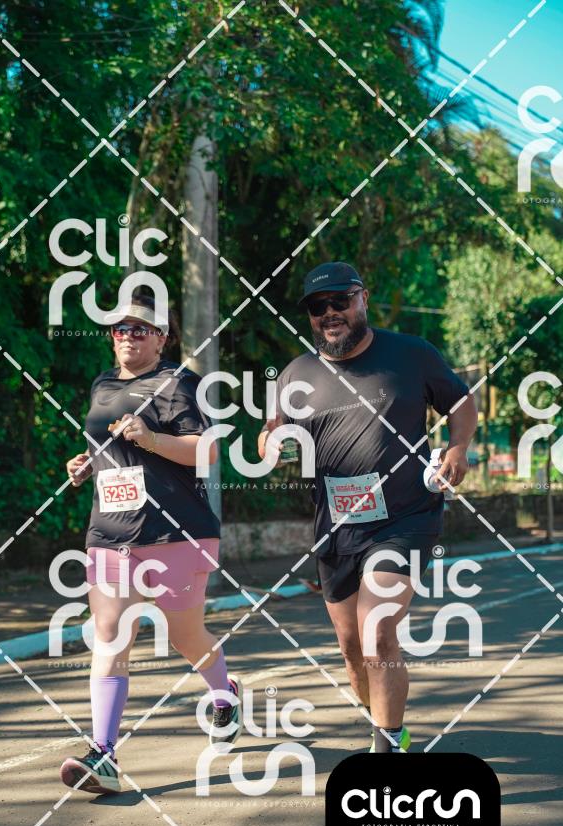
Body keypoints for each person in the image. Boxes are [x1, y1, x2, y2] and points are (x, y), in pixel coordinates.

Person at [258, 262, 477, 753]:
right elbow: (270, 431)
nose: (329, 313)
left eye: (340, 301)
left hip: (405, 517)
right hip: (335, 527)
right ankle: (385, 722)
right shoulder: (297, 374)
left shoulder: (411, 354)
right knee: (352, 649)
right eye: (318, 307)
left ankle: (388, 743)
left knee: (377, 631)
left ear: (363, 298)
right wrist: (271, 443)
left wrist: (458, 448)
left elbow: (460, 403)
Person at [60, 290, 243, 794]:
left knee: (186, 636)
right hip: (111, 532)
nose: (128, 336)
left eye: (141, 328)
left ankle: (224, 693)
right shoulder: (102, 384)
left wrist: (150, 438)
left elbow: (205, 451)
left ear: (162, 338)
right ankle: (103, 754)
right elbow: (110, 450)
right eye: (120, 328)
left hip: (174, 532)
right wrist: (87, 464)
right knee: (110, 634)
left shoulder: (178, 382)